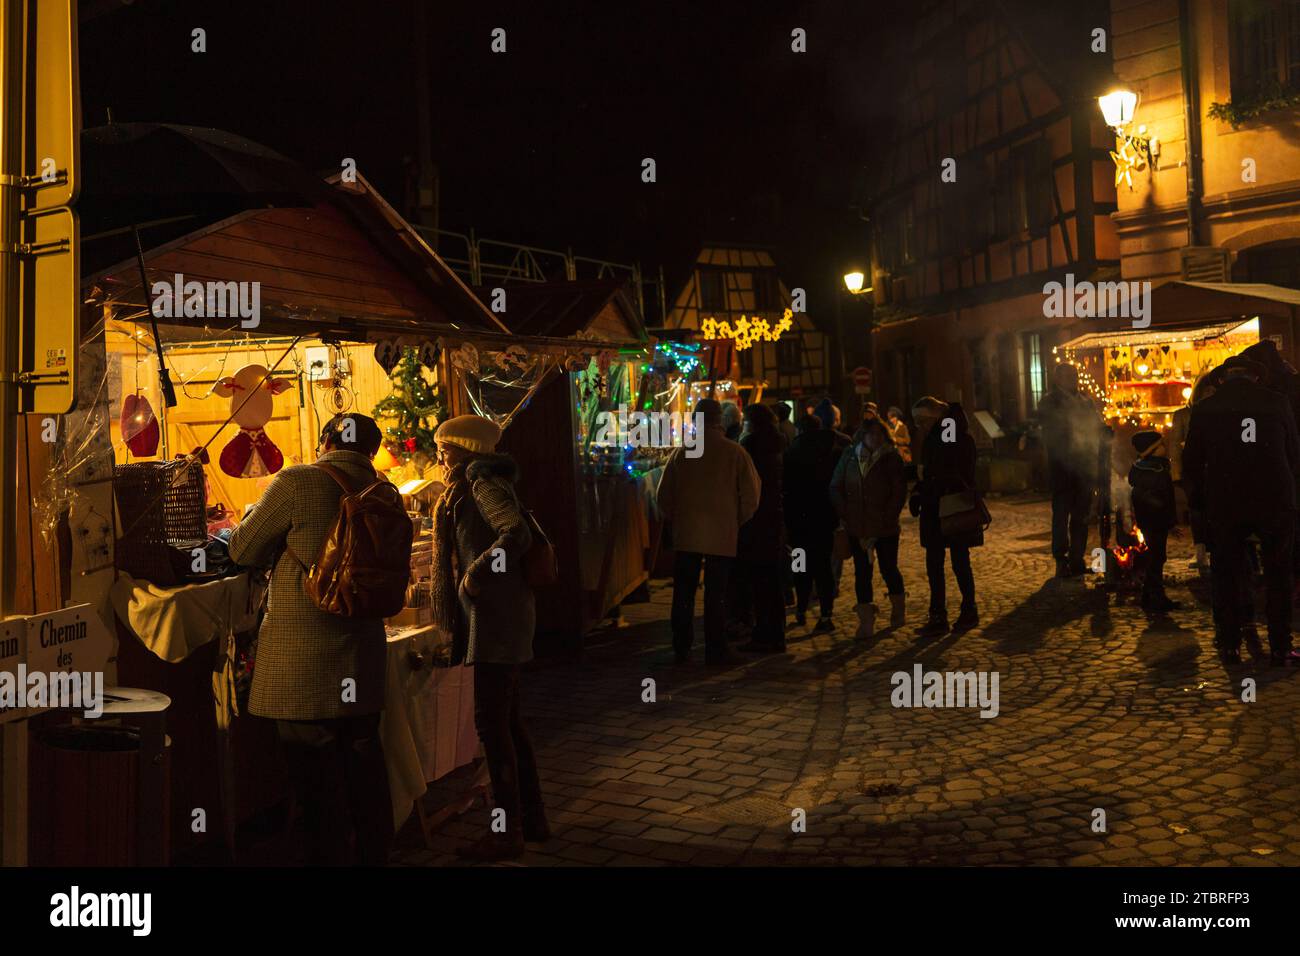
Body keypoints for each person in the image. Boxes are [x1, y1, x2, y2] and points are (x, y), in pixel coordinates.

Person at [228, 413, 394, 866]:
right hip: (362, 655)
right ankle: (375, 855)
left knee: (316, 778)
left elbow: (241, 548)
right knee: (364, 765)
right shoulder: (384, 492)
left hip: (305, 662)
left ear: (325, 441)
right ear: (371, 450)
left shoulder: (299, 481)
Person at [430, 414, 546, 861]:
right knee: (509, 724)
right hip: (501, 617)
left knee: (492, 727)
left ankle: (507, 832)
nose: (440, 458)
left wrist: (476, 575)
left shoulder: (481, 484)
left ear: (466, 450)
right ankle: (532, 820)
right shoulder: (475, 482)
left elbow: (513, 533)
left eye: (445, 450)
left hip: (497, 619)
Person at [1183, 355, 1300, 666]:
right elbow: (1293, 452)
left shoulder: (1206, 408)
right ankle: (1280, 645)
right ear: (1255, 377)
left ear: (1223, 379)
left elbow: (1191, 462)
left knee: (1227, 573)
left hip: (1226, 500)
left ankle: (1230, 644)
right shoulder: (1277, 403)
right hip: (1274, 498)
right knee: (1278, 573)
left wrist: (1197, 503)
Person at [657, 398, 761, 665]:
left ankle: (681, 646)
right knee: (717, 594)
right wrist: (734, 520)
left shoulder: (684, 452)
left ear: (696, 421)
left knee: (683, 593)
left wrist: (678, 519)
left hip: (688, 534)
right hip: (722, 533)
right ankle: (715, 649)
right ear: (720, 421)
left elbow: (663, 496)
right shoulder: (734, 452)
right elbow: (751, 496)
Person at [829, 416, 908, 638]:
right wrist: (845, 513)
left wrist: (888, 518)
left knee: (888, 568)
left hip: (885, 527)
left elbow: (898, 492)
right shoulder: (850, 456)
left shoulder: (891, 458)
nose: (875, 438)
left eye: (879, 434)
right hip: (857, 527)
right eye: (871, 433)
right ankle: (866, 621)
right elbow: (836, 486)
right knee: (862, 573)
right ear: (862, 436)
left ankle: (898, 608)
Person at [910, 397, 982, 636]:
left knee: (959, 560)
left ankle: (968, 609)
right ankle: (938, 614)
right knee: (935, 563)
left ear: (935, 415)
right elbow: (934, 467)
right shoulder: (937, 434)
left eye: (922, 420)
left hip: (952, 504)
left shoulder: (952, 432)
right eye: (916, 422)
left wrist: (928, 484)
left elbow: (950, 468)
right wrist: (920, 488)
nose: (919, 426)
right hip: (936, 505)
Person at [1037, 363, 1106, 578]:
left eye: (1074, 375)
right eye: (1068, 376)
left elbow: (1095, 426)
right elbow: (1051, 432)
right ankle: (1061, 559)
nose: (1073, 379)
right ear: (1058, 379)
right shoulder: (1049, 401)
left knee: (1081, 516)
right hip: (1062, 467)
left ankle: (1077, 558)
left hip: (1083, 466)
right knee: (1061, 515)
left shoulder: (1085, 400)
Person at [735, 403, 788, 653]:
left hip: (756, 518)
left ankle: (764, 634)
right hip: (774, 516)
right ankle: (775, 632)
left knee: (759, 578)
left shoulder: (750, 446)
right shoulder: (777, 442)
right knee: (772, 577)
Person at [783, 415, 839, 630]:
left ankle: (801, 608)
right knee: (824, 566)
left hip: (798, 521)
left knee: (800, 566)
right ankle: (826, 614)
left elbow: (786, 488)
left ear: (800, 429)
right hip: (824, 518)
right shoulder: (832, 449)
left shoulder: (792, 451)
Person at [1128, 430, 1180, 612]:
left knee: (1156, 557)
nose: (1165, 448)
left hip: (1149, 521)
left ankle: (1150, 596)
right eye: (1161, 445)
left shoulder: (1146, 468)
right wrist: (1170, 522)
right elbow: (1165, 499)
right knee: (1157, 558)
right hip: (1156, 521)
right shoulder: (1156, 471)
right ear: (1152, 450)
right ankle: (1154, 597)